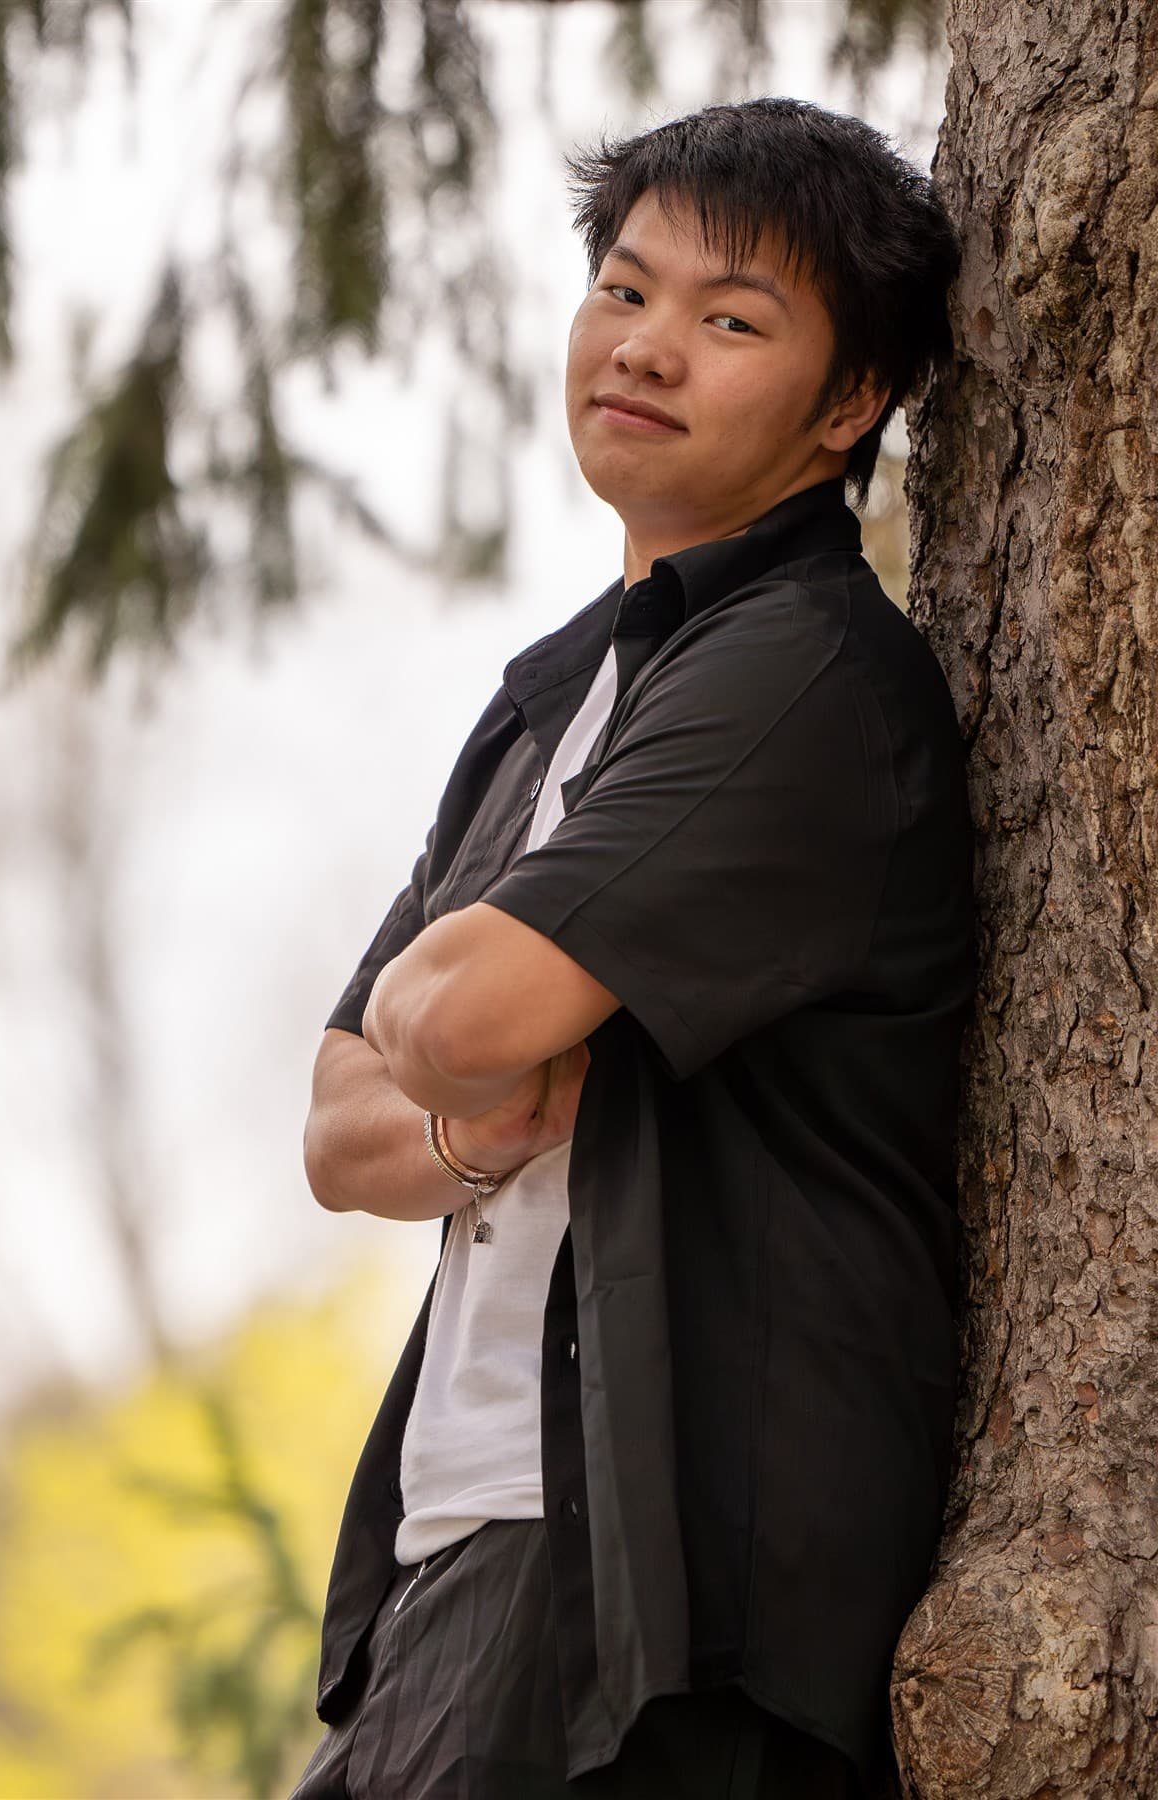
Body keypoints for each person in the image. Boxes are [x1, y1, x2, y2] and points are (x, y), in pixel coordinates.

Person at [289, 95, 975, 1800]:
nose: (648, 345)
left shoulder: (802, 674)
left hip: (654, 1594)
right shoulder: (554, 695)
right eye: (624, 287)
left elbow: (451, 1008)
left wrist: (448, 1036)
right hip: (469, 1541)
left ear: (851, 404)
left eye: (731, 319)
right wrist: (462, 1117)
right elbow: (339, 1126)